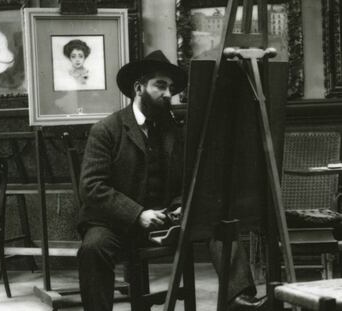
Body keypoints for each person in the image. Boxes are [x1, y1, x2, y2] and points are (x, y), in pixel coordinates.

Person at [77, 50, 267, 311]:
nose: (168, 94)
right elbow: (92, 187)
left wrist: (180, 206)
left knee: (219, 223)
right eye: (160, 85)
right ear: (139, 87)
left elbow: (184, 182)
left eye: (171, 88)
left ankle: (239, 298)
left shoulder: (174, 131)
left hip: (165, 222)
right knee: (93, 248)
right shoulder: (106, 130)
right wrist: (138, 214)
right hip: (115, 225)